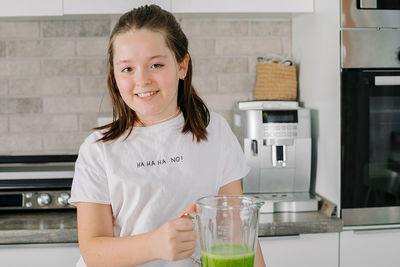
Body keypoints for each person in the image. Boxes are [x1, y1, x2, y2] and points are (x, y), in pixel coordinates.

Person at [69, 4, 266, 267]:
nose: (143, 80)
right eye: (127, 69)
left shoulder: (215, 132)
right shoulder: (98, 149)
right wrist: (155, 244)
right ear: (114, 75)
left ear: (182, 65)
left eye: (156, 64)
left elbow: (237, 229)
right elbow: (93, 251)